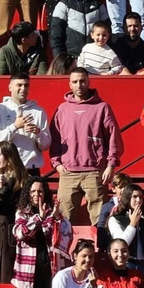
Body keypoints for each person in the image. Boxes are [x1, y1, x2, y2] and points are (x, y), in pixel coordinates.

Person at [50, 68, 123, 221]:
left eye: (82, 81)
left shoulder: (102, 107)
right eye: (75, 82)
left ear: (89, 81)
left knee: (100, 220)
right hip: (67, 173)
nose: (79, 85)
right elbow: (55, 139)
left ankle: (101, 246)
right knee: (64, 221)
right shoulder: (62, 109)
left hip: (95, 172)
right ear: (69, 84)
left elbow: (113, 138)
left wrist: (111, 165)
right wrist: (56, 163)